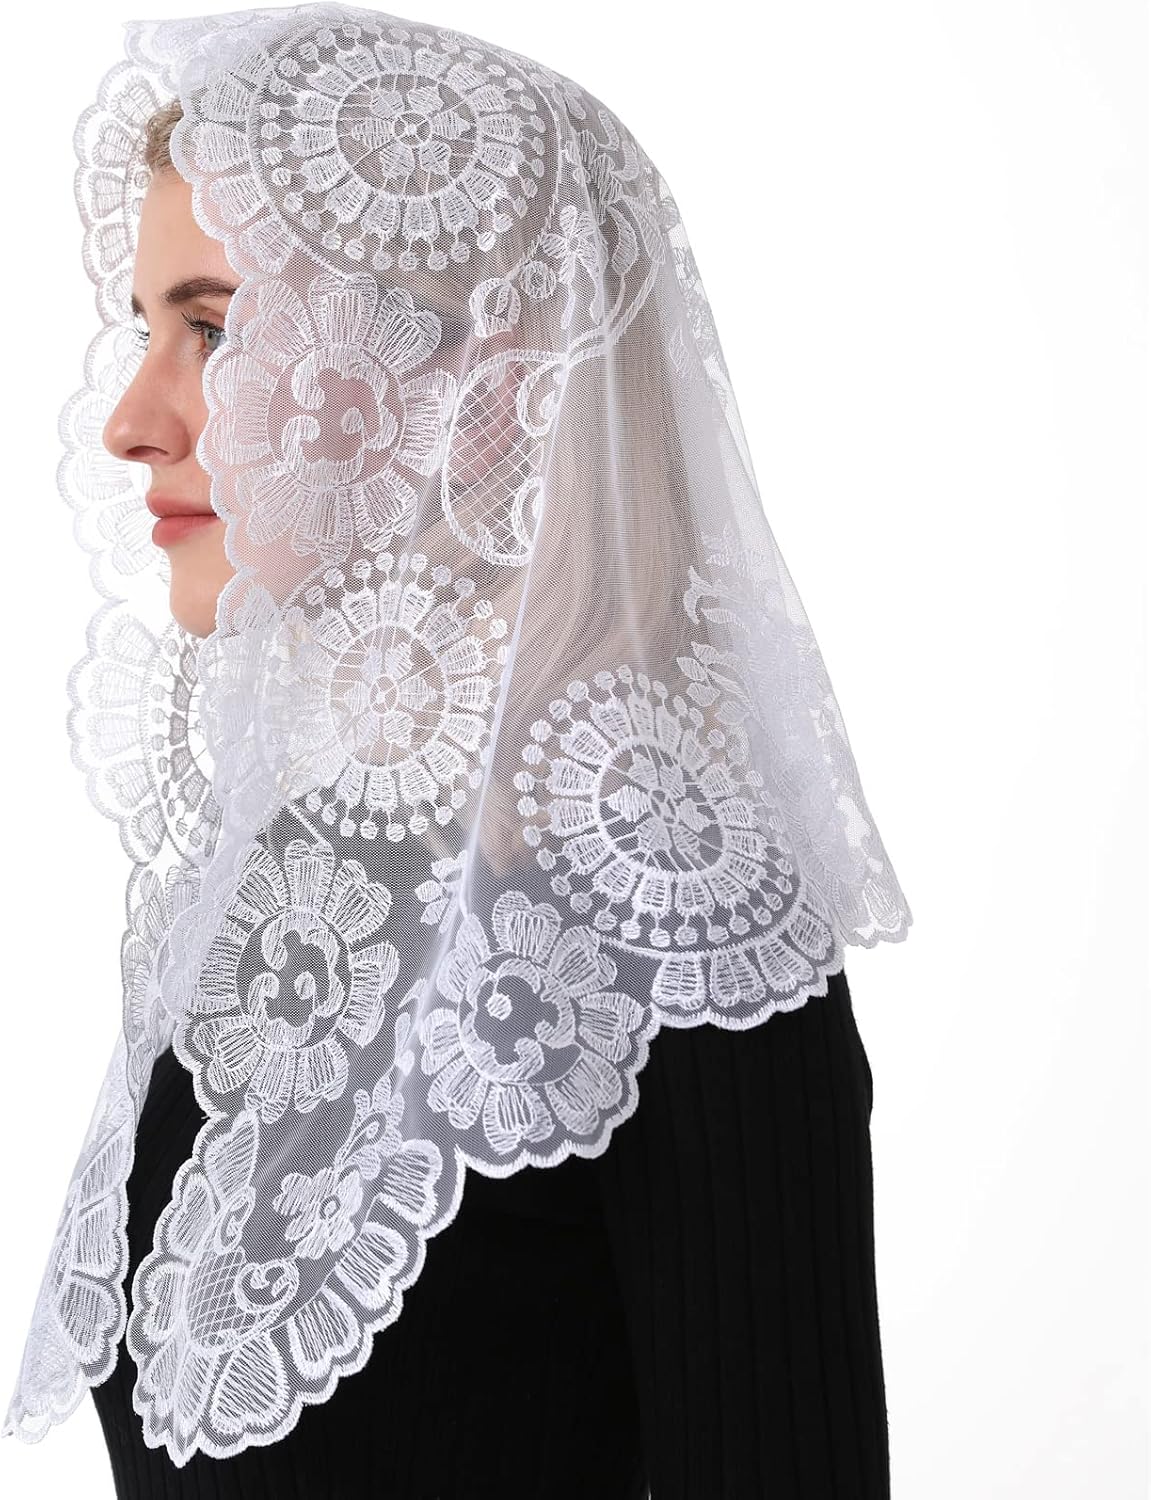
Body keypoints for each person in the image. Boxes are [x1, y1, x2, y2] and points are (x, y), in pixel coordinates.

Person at [4, 8, 911, 1497]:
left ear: (478, 392)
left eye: (215, 330)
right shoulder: (285, 898)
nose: (130, 421)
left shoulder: (675, 944)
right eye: (148, 328)